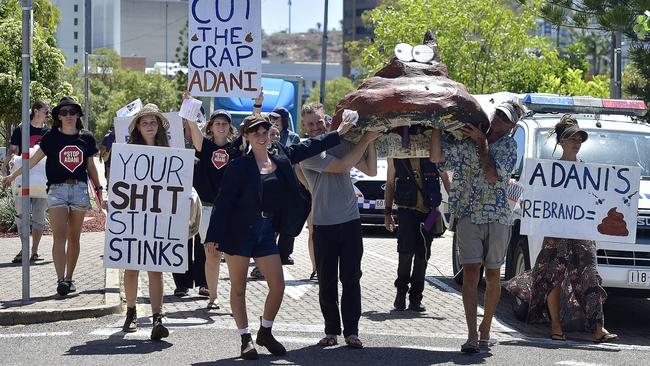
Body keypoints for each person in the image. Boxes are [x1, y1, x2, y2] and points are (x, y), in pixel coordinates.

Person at [205, 111, 353, 360]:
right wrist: (213, 237)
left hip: (265, 232)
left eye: (265, 131)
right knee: (239, 289)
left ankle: (265, 331)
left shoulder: (281, 156)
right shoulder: (238, 166)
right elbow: (223, 203)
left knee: (278, 285)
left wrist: (337, 134)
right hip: (239, 233)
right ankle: (245, 339)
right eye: (256, 132)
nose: (262, 136)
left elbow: (308, 146)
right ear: (247, 136)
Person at [505, 114, 618, 343]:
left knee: (591, 277)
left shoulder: (588, 172)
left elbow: (601, 201)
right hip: (556, 233)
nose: (576, 143)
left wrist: (623, 210)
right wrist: (527, 203)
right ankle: (556, 325)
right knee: (552, 278)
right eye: (571, 138)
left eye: (579, 139)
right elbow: (522, 194)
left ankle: (598, 327)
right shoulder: (546, 171)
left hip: (582, 233)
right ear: (561, 142)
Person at [430, 100, 520, 353]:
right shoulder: (466, 141)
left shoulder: (508, 146)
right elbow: (437, 157)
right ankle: (471, 334)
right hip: (469, 214)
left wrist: (482, 142)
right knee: (470, 274)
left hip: (498, 218)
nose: (500, 120)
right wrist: (436, 125)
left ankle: (486, 329)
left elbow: (493, 175)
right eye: (498, 115)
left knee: (493, 275)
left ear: (512, 126)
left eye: (506, 118)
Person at [299, 103, 381, 349]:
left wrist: (372, 139)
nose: (315, 127)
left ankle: (352, 332)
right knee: (327, 281)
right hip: (324, 224)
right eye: (310, 124)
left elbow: (371, 168)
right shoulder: (306, 151)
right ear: (304, 126)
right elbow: (343, 166)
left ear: (326, 120)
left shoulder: (340, 143)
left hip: (350, 221)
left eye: (318, 122)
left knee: (352, 278)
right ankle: (331, 330)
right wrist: (364, 138)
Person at [2, 97, 102, 297]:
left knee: (74, 238)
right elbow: (32, 161)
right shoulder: (51, 137)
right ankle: (60, 280)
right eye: (63, 112)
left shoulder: (87, 137)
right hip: (56, 190)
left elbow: (91, 166)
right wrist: (13, 175)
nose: (68, 116)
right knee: (59, 237)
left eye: (72, 112)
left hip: (79, 190)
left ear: (78, 114)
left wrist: (99, 188)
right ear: (58, 116)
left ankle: (70, 278)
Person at [120, 103, 172, 340]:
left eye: (153, 122)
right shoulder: (128, 151)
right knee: (131, 267)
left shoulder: (171, 151)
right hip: (134, 214)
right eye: (145, 122)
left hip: (158, 216)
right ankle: (131, 310)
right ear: (138, 127)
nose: (149, 126)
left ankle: (157, 316)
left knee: (156, 269)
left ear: (159, 126)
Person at [184, 106, 240, 309]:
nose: (221, 126)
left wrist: (257, 106)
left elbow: (253, 124)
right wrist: (189, 106)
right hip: (207, 209)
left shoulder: (236, 149)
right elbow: (192, 127)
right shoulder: (205, 146)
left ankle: (237, 298)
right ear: (211, 126)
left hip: (231, 211)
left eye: (225, 123)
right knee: (211, 254)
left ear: (230, 127)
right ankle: (213, 296)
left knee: (234, 257)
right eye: (217, 123)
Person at [383, 154, 444, 312]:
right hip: (406, 211)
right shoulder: (396, 155)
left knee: (423, 256)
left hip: (429, 213)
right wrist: (387, 213)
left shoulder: (433, 152)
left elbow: (445, 178)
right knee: (405, 253)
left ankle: (416, 298)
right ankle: (401, 293)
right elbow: (390, 184)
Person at [1, 101, 50, 264]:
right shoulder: (21, 129)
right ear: (36, 111)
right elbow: (13, 149)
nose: (48, 114)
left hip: (42, 179)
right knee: (21, 215)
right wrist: (3, 166)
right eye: (46, 111)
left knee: (39, 216)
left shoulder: (48, 132)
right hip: (21, 177)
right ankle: (25, 248)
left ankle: (34, 251)